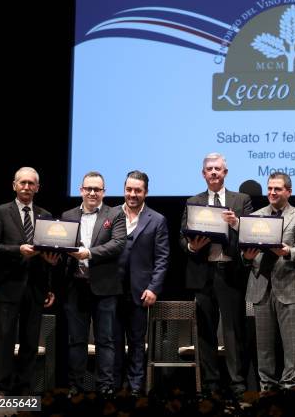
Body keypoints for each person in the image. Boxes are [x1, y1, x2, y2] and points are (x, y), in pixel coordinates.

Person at [180, 153, 252, 396]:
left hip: (230, 273)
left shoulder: (241, 200)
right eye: (209, 169)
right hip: (203, 273)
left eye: (218, 169)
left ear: (225, 173)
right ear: (203, 174)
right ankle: (211, 384)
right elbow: (182, 237)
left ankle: (237, 384)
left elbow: (251, 234)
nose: (213, 172)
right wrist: (192, 247)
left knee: (233, 332)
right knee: (205, 331)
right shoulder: (193, 201)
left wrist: (236, 224)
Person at [0, 167, 57, 395]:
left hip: (36, 287)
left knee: (30, 341)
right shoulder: (0, 212)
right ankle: (1, 388)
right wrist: (18, 250)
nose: (26, 187)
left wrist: (49, 277)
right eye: (22, 183)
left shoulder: (45, 215)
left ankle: (24, 388)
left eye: (31, 183)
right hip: (9, 286)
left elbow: (49, 253)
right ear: (14, 185)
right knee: (4, 340)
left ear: (37, 188)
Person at [243, 172, 295, 392]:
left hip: (290, 287)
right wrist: (247, 257)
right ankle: (267, 389)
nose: (272, 192)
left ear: (288, 191)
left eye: (277, 189)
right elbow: (244, 250)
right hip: (261, 287)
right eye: (269, 188)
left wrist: (287, 251)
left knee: (291, 347)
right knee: (263, 346)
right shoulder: (256, 216)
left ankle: (289, 388)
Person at [62, 171, 126, 398]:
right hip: (75, 287)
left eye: (97, 189)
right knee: (76, 340)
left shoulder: (115, 214)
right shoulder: (68, 215)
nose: (92, 193)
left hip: (105, 287)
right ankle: (76, 386)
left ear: (104, 192)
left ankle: (105, 387)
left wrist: (88, 252)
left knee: (105, 340)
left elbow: (118, 243)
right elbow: (62, 246)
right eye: (88, 188)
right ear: (81, 190)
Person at [113, 171, 169, 396]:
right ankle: (114, 387)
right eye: (129, 189)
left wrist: (153, 288)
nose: (132, 194)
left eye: (138, 190)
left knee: (137, 343)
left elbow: (162, 258)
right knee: (112, 341)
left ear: (146, 192)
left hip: (140, 292)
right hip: (112, 290)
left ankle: (135, 390)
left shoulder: (157, 220)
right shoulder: (111, 214)